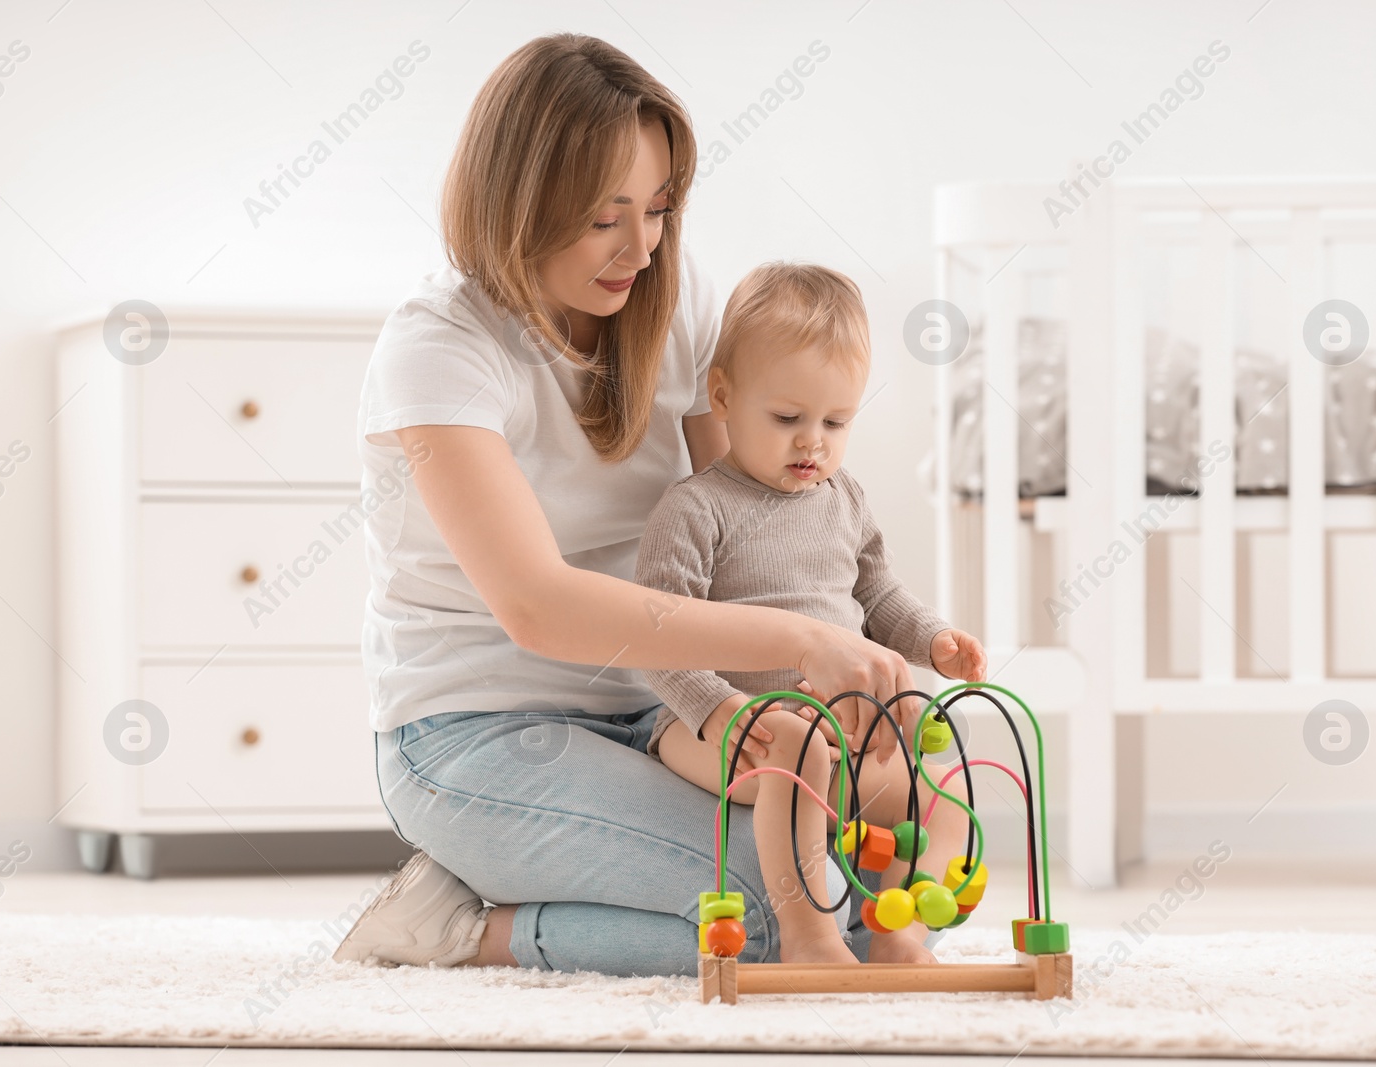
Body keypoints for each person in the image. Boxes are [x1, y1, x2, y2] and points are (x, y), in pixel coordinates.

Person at [330, 33, 935, 978]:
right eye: (606, 217)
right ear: (521, 202)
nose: (642, 247)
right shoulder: (437, 347)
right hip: (475, 733)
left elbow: (745, 524)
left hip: (661, 709)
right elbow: (537, 604)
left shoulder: (669, 293)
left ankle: (549, 890)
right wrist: (804, 649)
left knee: (869, 872)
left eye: (657, 210)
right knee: (779, 919)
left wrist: (820, 684)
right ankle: (455, 929)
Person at [635, 262, 988, 966]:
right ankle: (807, 935)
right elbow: (657, 636)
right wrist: (723, 709)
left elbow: (878, 595)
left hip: (837, 730)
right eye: (788, 418)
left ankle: (900, 932)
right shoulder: (696, 507)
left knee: (943, 778)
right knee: (799, 745)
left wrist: (933, 639)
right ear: (724, 397)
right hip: (715, 727)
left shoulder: (845, 498)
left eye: (836, 420)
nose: (813, 442)